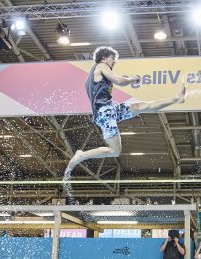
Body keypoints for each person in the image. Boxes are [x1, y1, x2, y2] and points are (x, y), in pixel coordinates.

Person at [64, 46, 187, 175]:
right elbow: (118, 81)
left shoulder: (91, 78)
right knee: (115, 151)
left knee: (142, 107)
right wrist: (132, 79)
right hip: (105, 114)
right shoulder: (100, 66)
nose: (114, 62)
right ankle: (81, 155)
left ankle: (176, 99)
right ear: (103, 58)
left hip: (110, 110)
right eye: (112, 58)